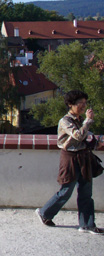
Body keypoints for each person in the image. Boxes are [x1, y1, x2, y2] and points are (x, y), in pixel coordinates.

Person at [35, 90, 103, 234]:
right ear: (71, 104)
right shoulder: (65, 121)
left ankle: (87, 224)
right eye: (80, 103)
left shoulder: (78, 120)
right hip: (70, 159)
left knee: (86, 192)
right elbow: (78, 136)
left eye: (85, 103)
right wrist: (88, 121)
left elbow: (84, 137)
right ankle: (44, 213)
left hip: (84, 158)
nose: (83, 106)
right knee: (66, 191)